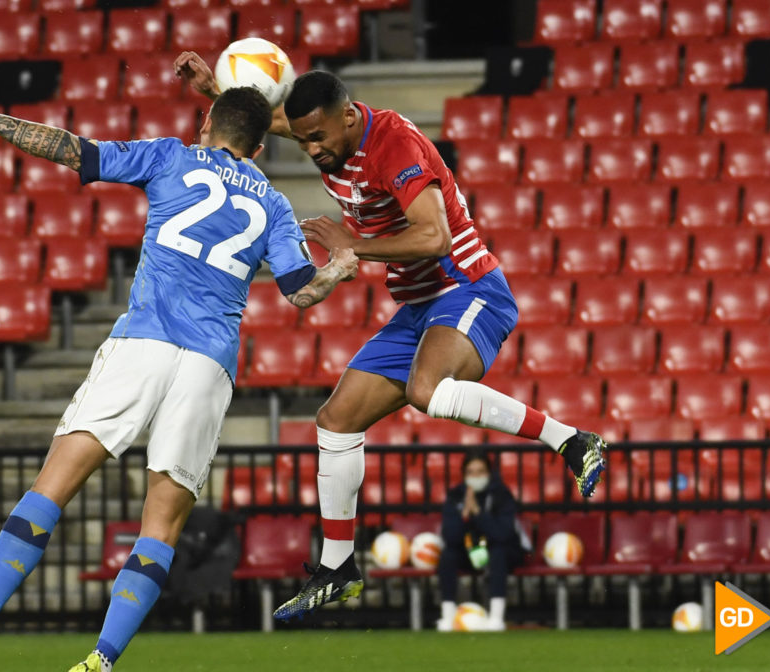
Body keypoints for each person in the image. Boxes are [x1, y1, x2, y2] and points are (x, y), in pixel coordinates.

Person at [0, 86, 358, 672]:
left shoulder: (171, 157)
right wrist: (341, 269)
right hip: (208, 365)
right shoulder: (275, 206)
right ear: (258, 146)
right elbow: (300, 291)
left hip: (143, 343)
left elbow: (74, 150)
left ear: (207, 122)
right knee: (162, 521)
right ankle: (99, 663)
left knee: (55, 484)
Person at [174, 56, 607, 622]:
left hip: (467, 286)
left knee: (429, 390)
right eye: (304, 141)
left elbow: (433, 236)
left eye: (320, 138)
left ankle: (572, 441)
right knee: (335, 421)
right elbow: (274, 122)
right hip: (419, 307)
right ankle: (337, 568)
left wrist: (352, 245)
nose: (314, 150)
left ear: (350, 117)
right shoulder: (323, 131)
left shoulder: (393, 145)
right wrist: (217, 90)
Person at [436, 451, 529, 632]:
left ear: (489, 473)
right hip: (470, 552)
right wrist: (464, 516)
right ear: (464, 475)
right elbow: (450, 537)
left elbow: (502, 534)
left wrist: (478, 514)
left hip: (503, 553)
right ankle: (447, 616)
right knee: (448, 555)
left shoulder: (501, 494)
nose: (476, 477)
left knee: (498, 552)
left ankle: (496, 617)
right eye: (471, 472)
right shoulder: (456, 496)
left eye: (480, 472)